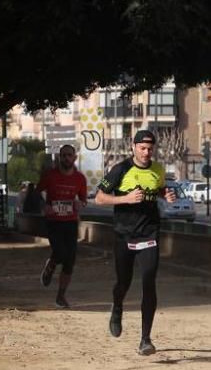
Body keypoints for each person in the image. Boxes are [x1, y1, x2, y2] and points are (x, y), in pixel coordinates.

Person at [95, 130, 177, 356]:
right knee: (124, 282)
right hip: (124, 235)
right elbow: (99, 198)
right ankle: (117, 306)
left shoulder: (158, 169)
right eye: (142, 148)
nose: (146, 152)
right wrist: (125, 198)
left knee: (149, 281)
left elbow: (158, 188)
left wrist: (165, 195)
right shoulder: (120, 169)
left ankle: (145, 339)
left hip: (149, 234)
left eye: (150, 148)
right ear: (134, 147)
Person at [37, 145, 88, 308]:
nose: (66, 158)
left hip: (71, 221)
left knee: (70, 260)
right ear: (59, 157)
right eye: (63, 155)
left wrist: (80, 204)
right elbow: (36, 192)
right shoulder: (50, 175)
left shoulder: (80, 178)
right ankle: (51, 263)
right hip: (54, 221)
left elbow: (84, 199)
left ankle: (61, 296)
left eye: (69, 155)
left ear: (75, 158)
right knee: (60, 252)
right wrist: (44, 206)